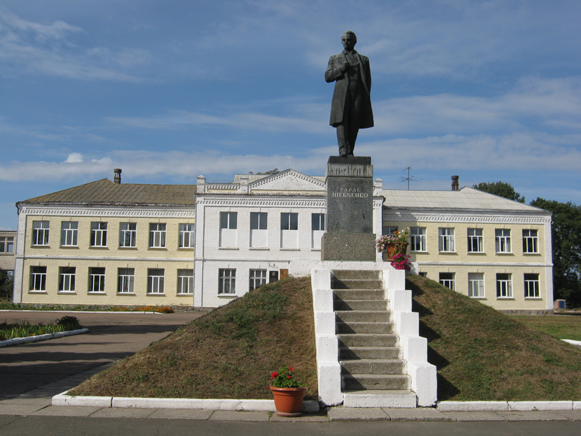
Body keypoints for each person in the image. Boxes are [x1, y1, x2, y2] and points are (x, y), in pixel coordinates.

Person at [325, 31, 374, 157]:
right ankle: (342, 149)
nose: (346, 42)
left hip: (358, 93)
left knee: (354, 121)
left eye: (349, 40)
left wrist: (365, 95)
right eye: (344, 40)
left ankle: (350, 149)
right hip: (341, 95)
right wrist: (341, 69)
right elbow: (328, 76)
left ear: (355, 41)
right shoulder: (335, 58)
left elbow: (368, 80)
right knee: (341, 121)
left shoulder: (364, 60)